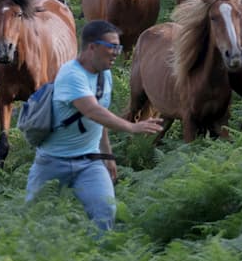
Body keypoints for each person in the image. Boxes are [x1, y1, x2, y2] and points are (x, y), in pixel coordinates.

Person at [25, 20, 162, 230]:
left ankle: (98, 257)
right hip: (52, 161)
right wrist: (132, 127)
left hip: (89, 162)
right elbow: (91, 110)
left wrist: (106, 156)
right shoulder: (70, 74)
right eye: (112, 47)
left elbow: (100, 117)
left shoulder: (104, 75)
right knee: (33, 219)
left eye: (119, 47)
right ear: (92, 47)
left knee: (105, 211)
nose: (117, 53)